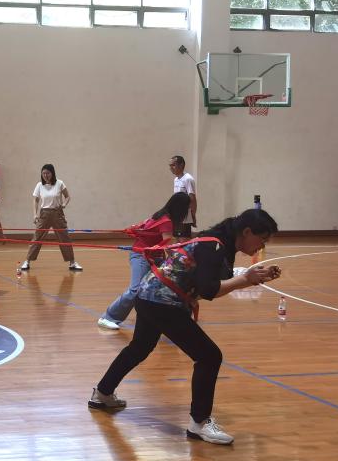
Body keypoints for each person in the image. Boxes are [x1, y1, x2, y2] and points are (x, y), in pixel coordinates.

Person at [88, 209, 281, 445]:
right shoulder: (215, 245)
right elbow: (209, 290)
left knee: (139, 348)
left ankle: (102, 393)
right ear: (247, 232)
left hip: (149, 295)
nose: (262, 246)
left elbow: (212, 283)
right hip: (161, 302)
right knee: (209, 356)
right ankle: (199, 423)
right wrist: (245, 280)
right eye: (262, 239)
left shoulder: (219, 244)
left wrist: (249, 278)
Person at [96, 192, 191, 331]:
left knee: (162, 288)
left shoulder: (161, 216)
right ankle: (108, 318)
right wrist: (183, 258)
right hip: (141, 256)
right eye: (187, 208)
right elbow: (167, 245)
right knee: (136, 290)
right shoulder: (166, 221)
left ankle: (162, 318)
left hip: (155, 257)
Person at [20, 164, 82, 271]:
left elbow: (67, 196)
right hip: (44, 214)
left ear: (52, 173)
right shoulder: (39, 185)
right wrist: (35, 214)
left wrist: (64, 204)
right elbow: (35, 200)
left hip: (58, 213)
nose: (45, 175)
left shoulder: (60, 183)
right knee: (37, 237)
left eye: (47, 173)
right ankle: (27, 261)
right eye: (43, 173)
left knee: (64, 237)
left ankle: (72, 262)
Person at [169, 155, 197, 238]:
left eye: (173, 165)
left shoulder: (188, 179)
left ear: (181, 165)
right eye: (170, 166)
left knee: (184, 240)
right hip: (176, 216)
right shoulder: (176, 179)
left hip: (185, 217)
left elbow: (192, 199)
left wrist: (193, 216)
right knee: (176, 239)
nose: (171, 168)